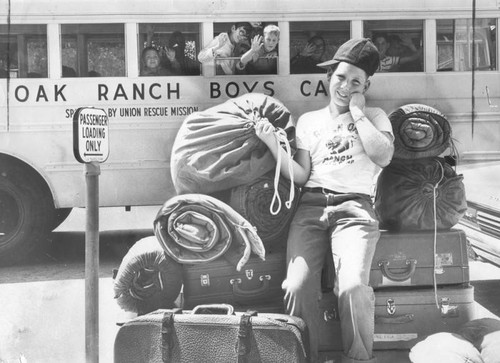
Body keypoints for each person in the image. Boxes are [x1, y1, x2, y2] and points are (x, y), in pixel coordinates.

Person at [255, 38, 395, 363]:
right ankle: (304, 357)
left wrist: (358, 113)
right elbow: (302, 174)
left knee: (352, 288)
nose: (345, 87)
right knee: (296, 286)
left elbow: (384, 155)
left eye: (355, 82)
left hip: (354, 209)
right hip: (311, 208)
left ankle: (357, 359)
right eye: (341, 77)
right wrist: (271, 144)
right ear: (329, 75)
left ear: (367, 86)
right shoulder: (309, 121)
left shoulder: (375, 116)